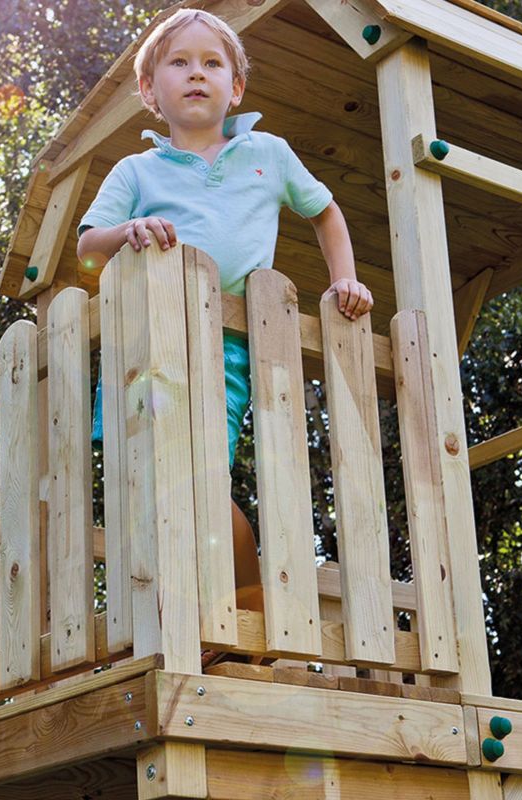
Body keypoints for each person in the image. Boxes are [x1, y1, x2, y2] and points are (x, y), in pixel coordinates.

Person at [76, 9, 373, 623]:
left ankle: (243, 601)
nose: (196, 74)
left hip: (226, 345)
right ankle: (185, 612)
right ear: (149, 90)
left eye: (213, 63)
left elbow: (326, 213)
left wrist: (345, 276)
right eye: (178, 63)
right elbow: (86, 245)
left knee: (202, 478)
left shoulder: (268, 153)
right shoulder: (137, 171)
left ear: (235, 88)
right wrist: (128, 229)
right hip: (146, 343)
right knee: (148, 482)